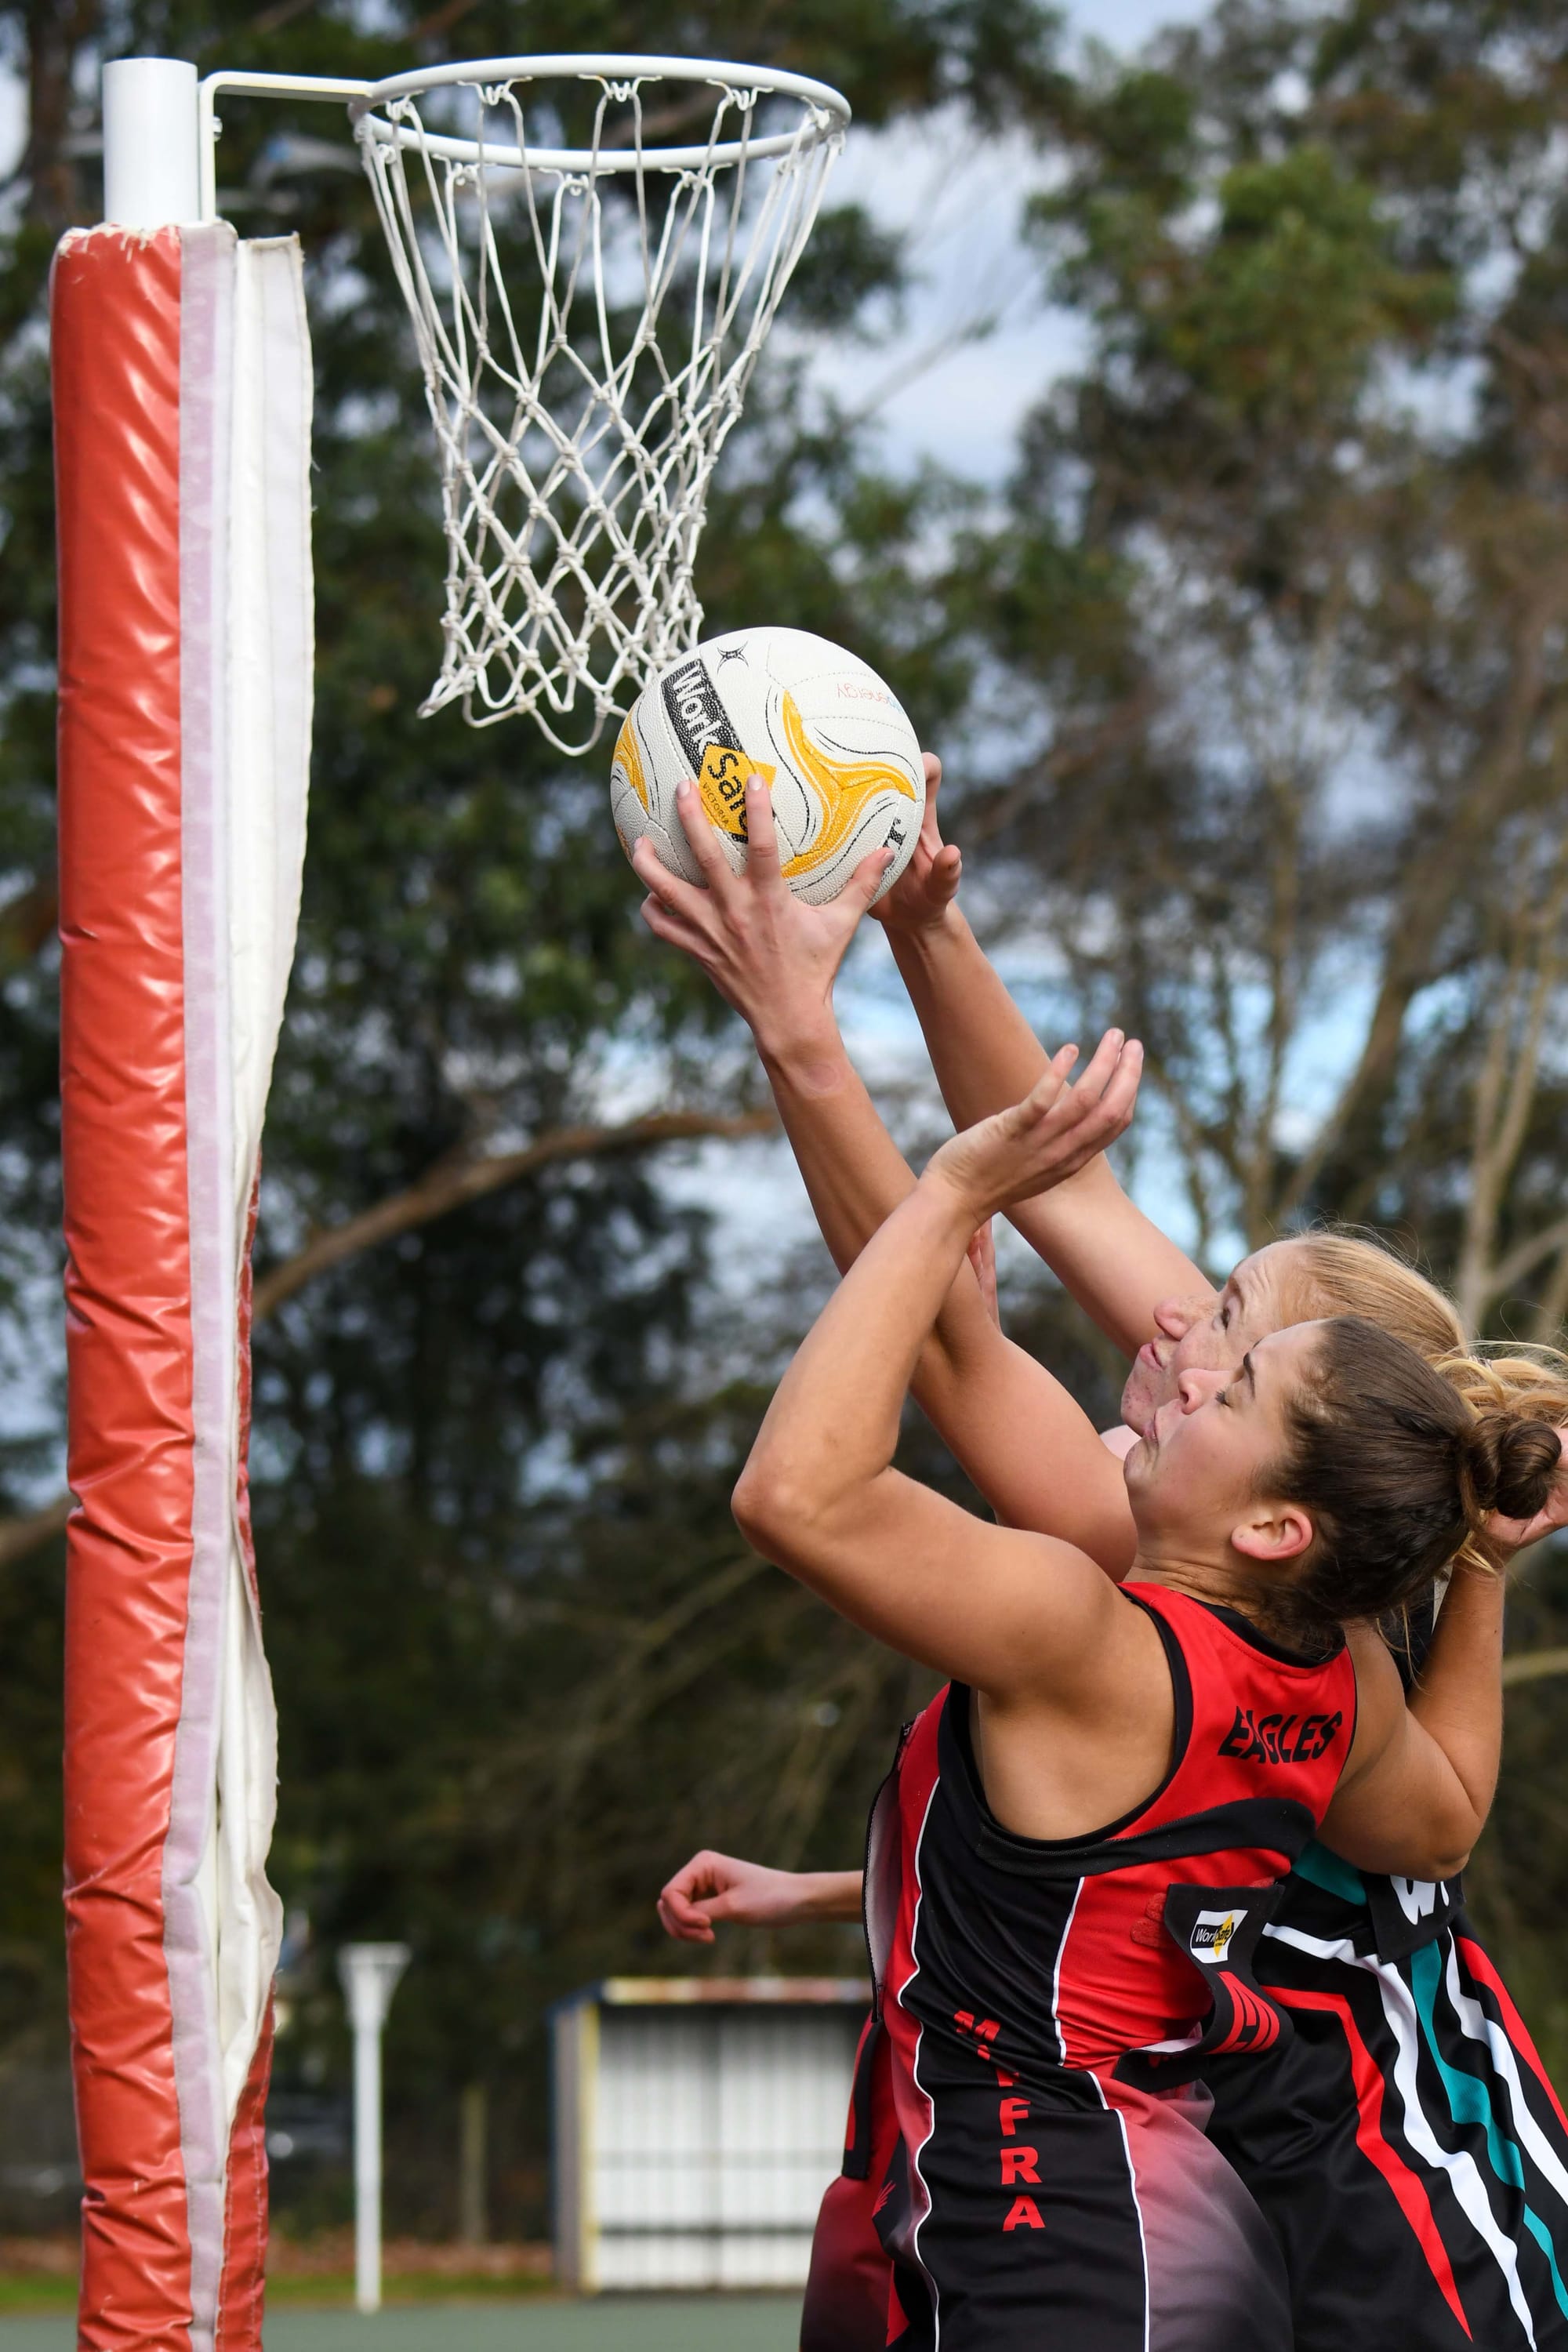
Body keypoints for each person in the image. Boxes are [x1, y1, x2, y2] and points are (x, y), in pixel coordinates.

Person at [636, 767, 1568, 2350]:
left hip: (1360, 2143)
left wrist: (814, 1046)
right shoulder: (1302, 1581)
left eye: (1219, 1333)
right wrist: (931, 928)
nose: (1171, 1334)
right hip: (1218, 2116)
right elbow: (1063, 1178)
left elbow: (933, 1341)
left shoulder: (1155, 1585)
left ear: (1289, 1482)